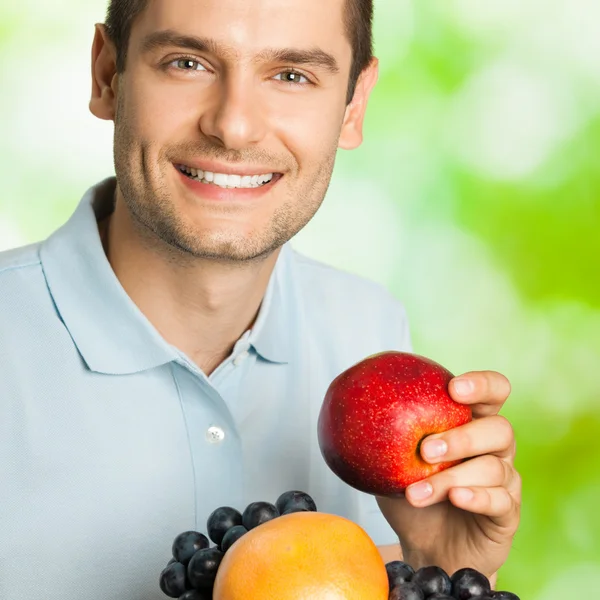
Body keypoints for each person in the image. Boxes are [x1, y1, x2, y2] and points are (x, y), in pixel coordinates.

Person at [0, 0, 521, 598]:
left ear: (353, 105)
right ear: (107, 75)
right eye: (187, 62)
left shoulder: (369, 325)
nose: (234, 125)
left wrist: (440, 570)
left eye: (292, 75)